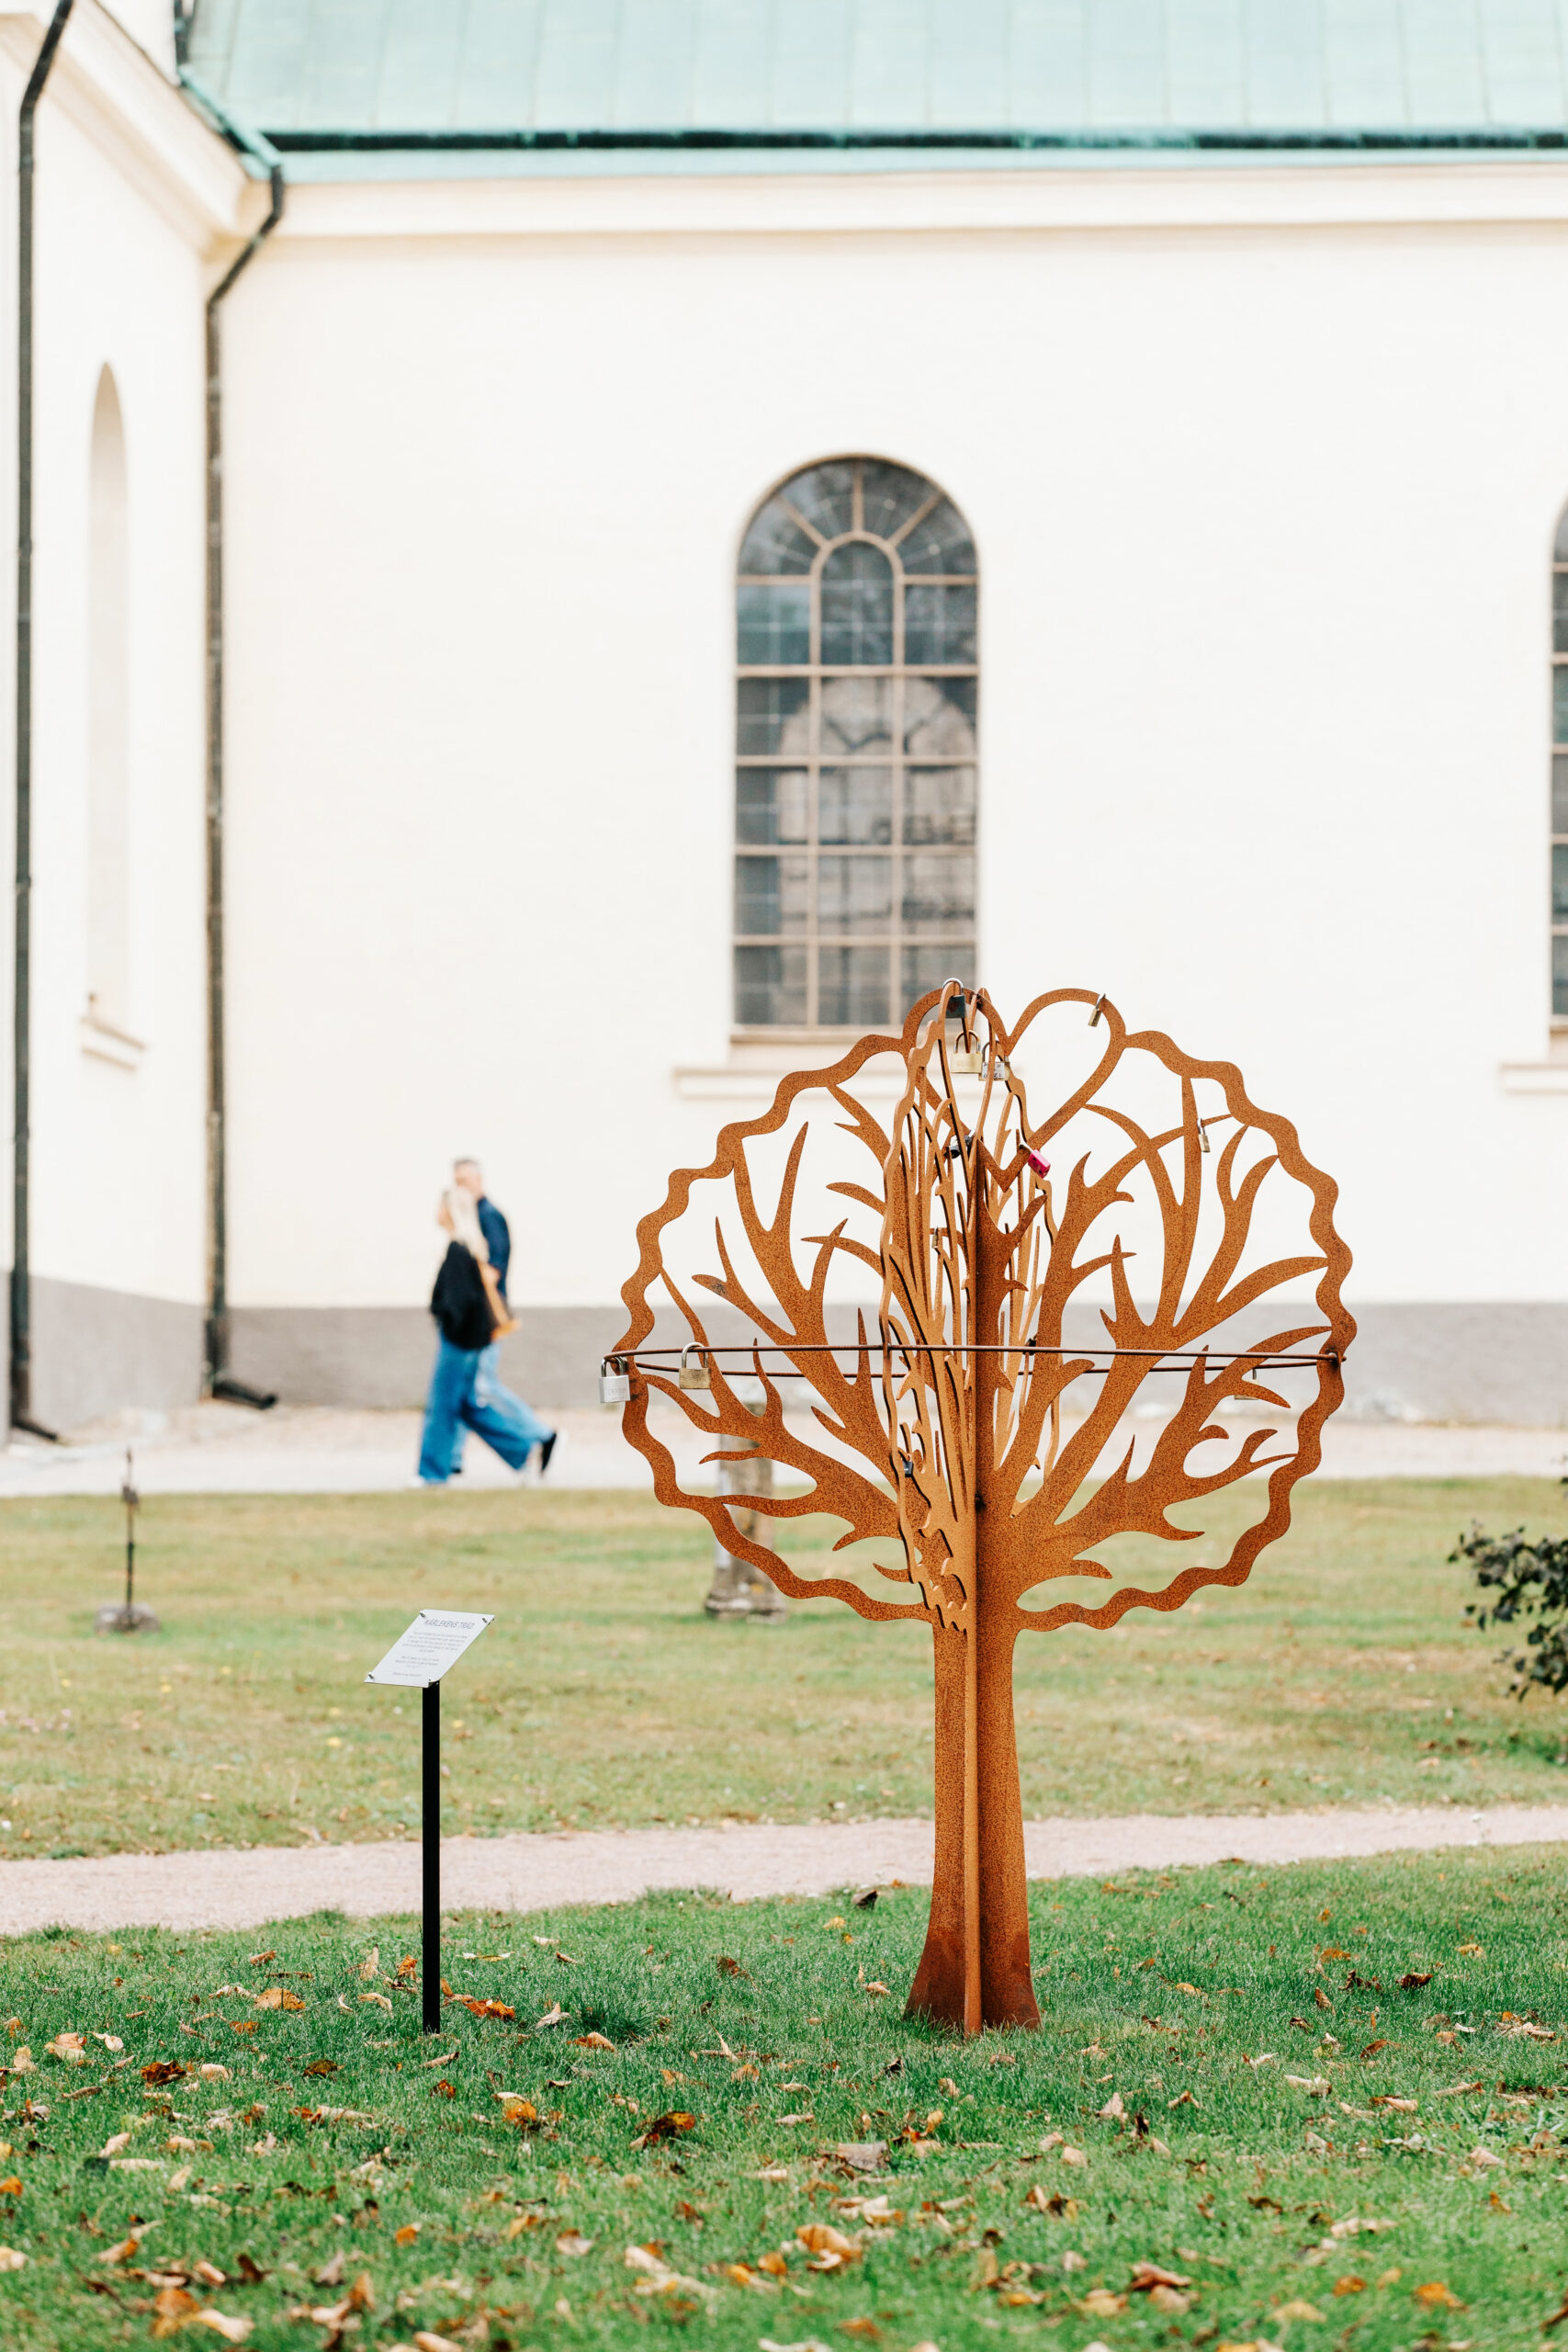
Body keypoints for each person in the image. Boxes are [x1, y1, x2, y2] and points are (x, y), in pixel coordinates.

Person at [416, 1182, 556, 1486]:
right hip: (469, 1341)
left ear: (450, 1211)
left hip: (458, 1343)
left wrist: (446, 1321)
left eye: (440, 1206)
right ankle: (525, 1449)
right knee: (466, 1405)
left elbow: (459, 1304)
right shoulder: (469, 1249)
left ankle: (432, 1473)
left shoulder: (458, 1250)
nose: (436, 1213)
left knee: (442, 1406)